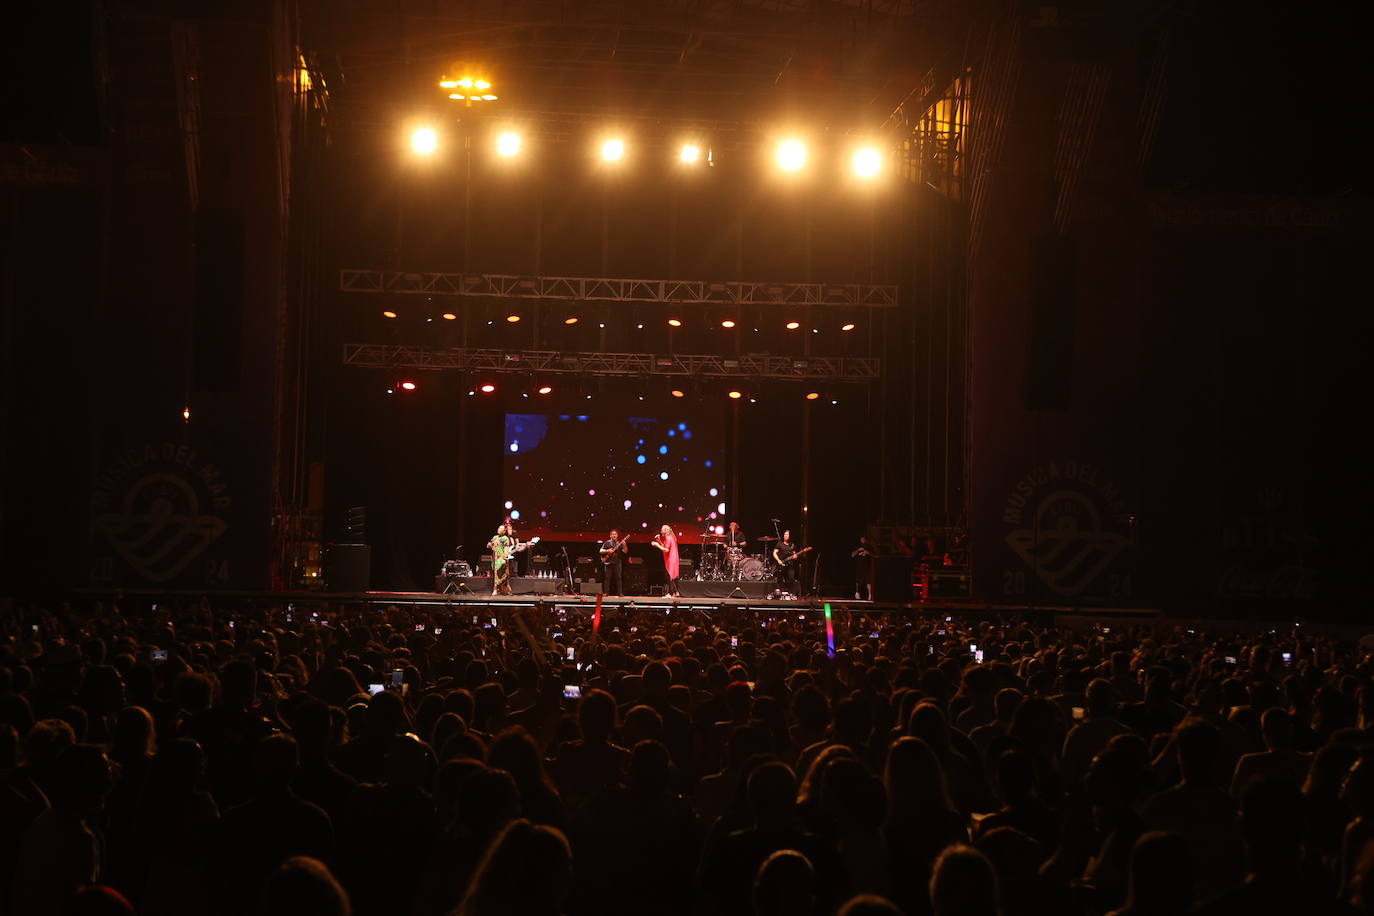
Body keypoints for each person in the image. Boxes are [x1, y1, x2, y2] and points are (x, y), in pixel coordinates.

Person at [651, 525, 680, 597]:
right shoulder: (672, 537)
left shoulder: (667, 538)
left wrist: (656, 545)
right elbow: (665, 546)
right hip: (674, 558)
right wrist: (659, 541)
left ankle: (670, 593)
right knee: (672, 576)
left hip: (670, 558)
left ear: (666, 531)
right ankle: (675, 592)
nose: (661, 531)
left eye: (662, 530)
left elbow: (666, 550)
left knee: (669, 575)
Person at [600, 529, 627, 596]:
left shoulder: (619, 543)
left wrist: (624, 544)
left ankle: (620, 593)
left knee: (618, 578)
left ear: (617, 535)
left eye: (615, 534)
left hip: (617, 562)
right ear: (610, 535)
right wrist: (608, 551)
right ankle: (606, 592)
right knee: (607, 578)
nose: (614, 535)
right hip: (608, 562)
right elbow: (600, 551)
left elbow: (625, 551)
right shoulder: (607, 543)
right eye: (613, 534)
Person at [773, 530, 799, 597]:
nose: (785, 536)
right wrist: (778, 560)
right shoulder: (780, 544)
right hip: (781, 564)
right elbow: (774, 553)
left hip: (790, 564)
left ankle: (792, 594)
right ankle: (780, 594)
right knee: (780, 579)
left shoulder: (792, 545)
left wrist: (795, 556)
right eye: (785, 534)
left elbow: (794, 554)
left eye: (787, 534)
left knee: (791, 579)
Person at [489, 525, 514, 596]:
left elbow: (506, 549)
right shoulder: (495, 537)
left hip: (501, 558)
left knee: (501, 574)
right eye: (499, 528)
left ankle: (501, 589)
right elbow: (491, 544)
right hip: (495, 558)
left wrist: (504, 558)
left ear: (504, 531)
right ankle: (496, 589)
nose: (499, 529)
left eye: (501, 529)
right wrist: (490, 544)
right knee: (495, 574)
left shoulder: (505, 538)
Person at [851, 536, 874, 601]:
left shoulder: (869, 547)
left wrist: (868, 553)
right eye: (861, 538)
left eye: (864, 538)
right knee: (858, 581)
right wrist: (858, 550)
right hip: (859, 566)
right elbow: (852, 555)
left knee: (868, 581)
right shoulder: (857, 546)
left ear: (866, 539)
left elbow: (874, 555)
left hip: (867, 566)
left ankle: (870, 594)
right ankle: (857, 593)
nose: (862, 539)